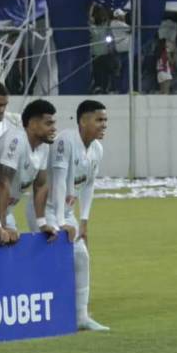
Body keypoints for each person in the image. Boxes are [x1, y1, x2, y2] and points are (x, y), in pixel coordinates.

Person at [47, 100, 109, 331]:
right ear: (83, 121)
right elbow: (60, 179)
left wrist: (83, 221)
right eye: (99, 120)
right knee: (55, 259)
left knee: (81, 257)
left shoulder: (97, 150)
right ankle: (50, 313)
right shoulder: (66, 140)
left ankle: (81, 316)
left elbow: (89, 186)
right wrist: (61, 222)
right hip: (47, 210)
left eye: (105, 120)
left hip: (67, 212)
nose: (104, 125)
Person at [0, 99, 57, 244]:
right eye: (48, 124)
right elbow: (3, 183)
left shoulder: (44, 146)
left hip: (3, 210)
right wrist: (2, 226)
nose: (54, 128)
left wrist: (41, 223)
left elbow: (40, 185)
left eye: (54, 123)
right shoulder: (16, 139)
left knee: (11, 252)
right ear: (32, 124)